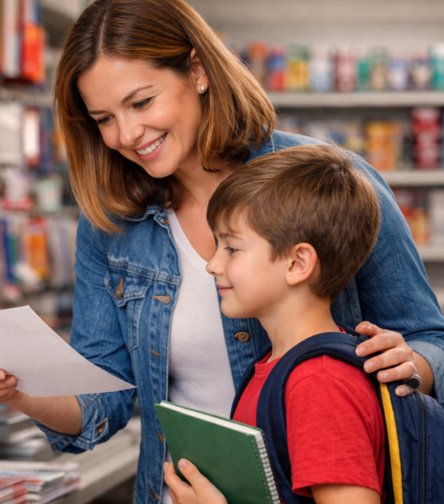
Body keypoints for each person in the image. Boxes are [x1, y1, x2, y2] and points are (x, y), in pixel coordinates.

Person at [0, 0, 444, 503]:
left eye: (141, 102)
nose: (127, 134)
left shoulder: (326, 183)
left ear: (197, 70)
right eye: (103, 119)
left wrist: (409, 364)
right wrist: (16, 390)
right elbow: (105, 399)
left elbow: (434, 342)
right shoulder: (110, 221)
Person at [164, 144, 385, 504]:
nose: (212, 265)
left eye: (231, 248)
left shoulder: (320, 385)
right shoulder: (275, 366)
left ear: (298, 263)